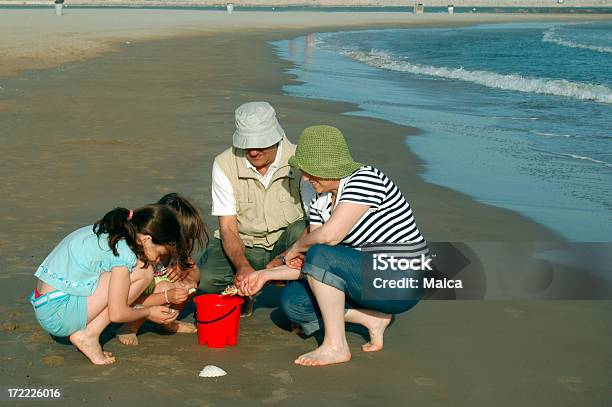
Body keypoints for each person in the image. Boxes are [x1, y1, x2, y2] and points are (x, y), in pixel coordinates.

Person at [238, 125, 429, 366]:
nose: (305, 178)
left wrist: (296, 248)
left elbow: (328, 239)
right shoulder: (321, 199)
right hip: (362, 280)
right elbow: (314, 264)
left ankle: (335, 346)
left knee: (319, 251)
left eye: (311, 172)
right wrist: (265, 275)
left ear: (329, 167)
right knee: (293, 303)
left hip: (401, 281)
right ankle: (372, 319)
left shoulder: (365, 178)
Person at [30, 205, 190, 365]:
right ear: (147, 240)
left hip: (46, 304)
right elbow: (117, 314)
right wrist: (148, 313)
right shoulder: (124, 252)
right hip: (58, 314)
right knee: (143, 272)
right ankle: (89, 335)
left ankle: (86, 332)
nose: (158, 260)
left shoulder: (113, 231)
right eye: (161, 253)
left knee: (132, 276)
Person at [204, 101, 312, 315]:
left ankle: (300, 301)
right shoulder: (224, 163)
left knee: (304, 229)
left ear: (276, 137)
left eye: (260, 144)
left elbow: (315, 223)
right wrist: (242, 265)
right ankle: (244, 298)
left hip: (288, 243)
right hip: (244, 242)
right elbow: (228, 228)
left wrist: (283, 258)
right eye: (247, 144)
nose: (253, 151)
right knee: (207, 280)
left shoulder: (299, 160)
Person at [116, 193, 208, 346]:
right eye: (180, 240)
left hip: (159, 294)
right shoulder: (145, 251)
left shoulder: (176, 253)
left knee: (188, 285)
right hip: (135, 298)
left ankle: (167, 321)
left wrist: (186, 272)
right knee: (165, 287)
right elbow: (126, 292)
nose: (183, 244)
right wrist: (168, 294)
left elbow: (196, 274)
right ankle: (130, 327)